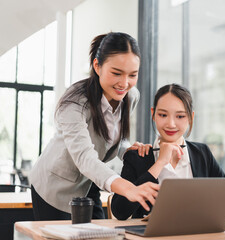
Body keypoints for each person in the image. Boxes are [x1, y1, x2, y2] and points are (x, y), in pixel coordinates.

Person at [29, 32, 159, 220]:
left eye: (133, 75)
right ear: (97, 66)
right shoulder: (75, 102)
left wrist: (126, 149)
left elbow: (112, 137)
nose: (124, 83)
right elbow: (84, 156)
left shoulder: (131, 96)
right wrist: (128, 188)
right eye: (116, 73)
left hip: (88, 183)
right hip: (54, 186)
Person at [111, 83, 225, 220]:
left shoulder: (202, 153)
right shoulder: (138, 156)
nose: (171, 124)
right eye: (163, 115)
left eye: (180, 116)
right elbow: (120, 211)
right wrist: (160, 163)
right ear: (153, 114)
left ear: (191, 117)